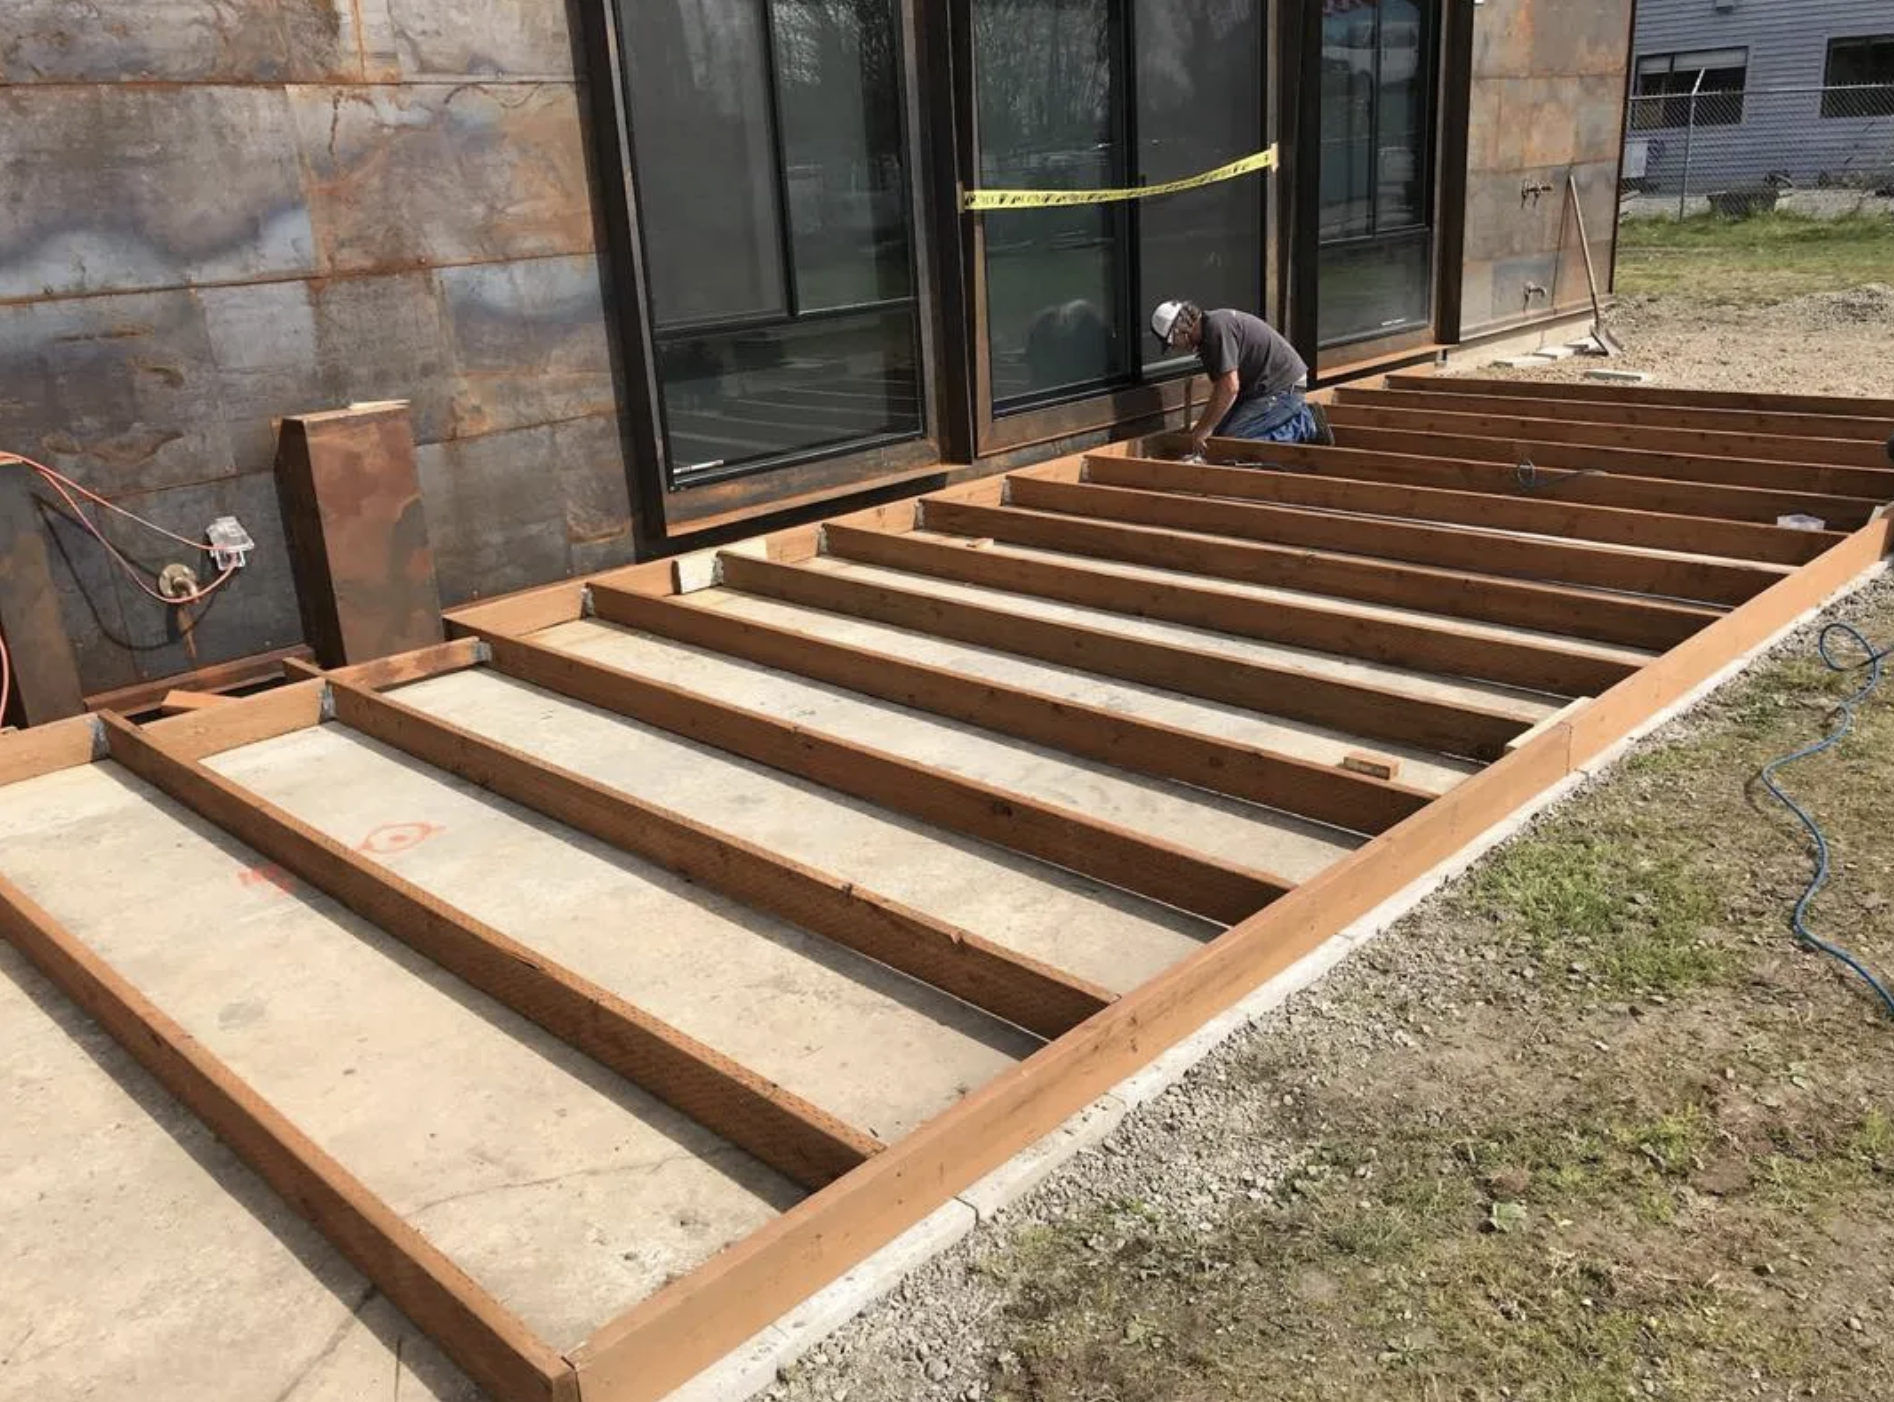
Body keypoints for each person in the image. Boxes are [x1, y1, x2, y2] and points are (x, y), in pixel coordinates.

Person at [1150, 300, 1328, 457]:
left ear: (1179, 330)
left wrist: (1203, 428)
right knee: (1217, 439)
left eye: (1172, 343)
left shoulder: (1216, 330)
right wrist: (1205, 429)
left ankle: (1306, 423)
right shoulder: (1209, 334)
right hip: (1261, 389)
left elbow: (1229, 388)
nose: (1175, 348)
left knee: (1237, 442)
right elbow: (1223, 389)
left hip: (1284, 386)